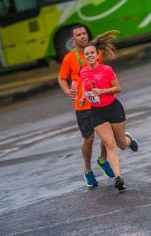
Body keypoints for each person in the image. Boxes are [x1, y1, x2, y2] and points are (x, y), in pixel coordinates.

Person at [80, 31, 138, 193]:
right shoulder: (83, 72)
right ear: (84, 57)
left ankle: (127, 139)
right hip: (97, 113)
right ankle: (119, 179)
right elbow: (86, 90)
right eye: (86, 54)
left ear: (97, 55)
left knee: (121, 145)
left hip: (113, 109)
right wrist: (84, 97)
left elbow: (118, 88)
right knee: (109, 144)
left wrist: (103, 91)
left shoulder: (106, 70)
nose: (89, 55)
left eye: (92, 53)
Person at [58, 25, 114, 188]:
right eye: (78, 35)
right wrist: (68, 90)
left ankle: (102, 160)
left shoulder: (97, 53)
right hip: (82, 106)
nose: (82, 36)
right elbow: (61, 78)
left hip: (98, 101)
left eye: (84, 33)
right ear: (73, 39)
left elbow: (100, 72)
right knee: (88, 139)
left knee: (106, 135)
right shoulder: (69, 58)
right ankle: (88, 170)